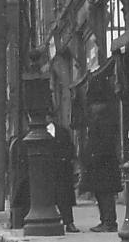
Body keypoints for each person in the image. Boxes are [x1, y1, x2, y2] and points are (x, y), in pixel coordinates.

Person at [80, 95, 123, 232]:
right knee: (101, 194)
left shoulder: (104, 123)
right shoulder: (99, 122)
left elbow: (104, 144)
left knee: (105, 194)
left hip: (104, 165)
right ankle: (105, 220)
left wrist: (93, 156)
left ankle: (109, 222)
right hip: (100, 165)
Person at [51, 115, 80, 232]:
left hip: (61, 170)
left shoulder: (62, 132)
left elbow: (70, 149)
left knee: (64, 197)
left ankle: (69, 222)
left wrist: (64, 159)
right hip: (43, 171)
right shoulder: (31, 132)